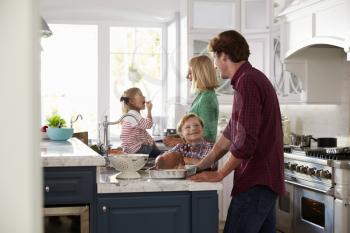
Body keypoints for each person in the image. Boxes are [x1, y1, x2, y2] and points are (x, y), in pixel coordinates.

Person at [188, 30, 285, 233]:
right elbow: (230, 132)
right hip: (265, 180)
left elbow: (246, 141)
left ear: (224, 55)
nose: (214, 64)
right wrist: (201, 165)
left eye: (215, 57)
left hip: (256, 181)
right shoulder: (249, 79)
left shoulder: (247, 82)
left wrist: (221, 173)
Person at [164, 55, 219, 146]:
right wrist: (177, 136)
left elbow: (208, 137)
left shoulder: (207, 99)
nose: (187, 77)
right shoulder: (202, 95)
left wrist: (179, 142)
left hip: (201, 156)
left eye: (190, 73)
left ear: (200, 74)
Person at [117, 87, 162, 158]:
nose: (144, 97)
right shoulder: (133, 115)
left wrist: (152, 142)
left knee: (160, 155)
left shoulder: (133, 115)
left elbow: (143, 132)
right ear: (132, 101)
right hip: (136, 149)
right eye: (140, 95)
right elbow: (148, 125)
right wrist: (149, 110)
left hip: (133, 149)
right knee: (162, 157)